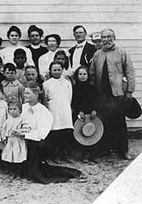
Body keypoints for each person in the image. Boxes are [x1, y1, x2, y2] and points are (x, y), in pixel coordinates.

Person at [19, 82, 81, 184]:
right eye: (24, 93)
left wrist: (26, 134)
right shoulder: (24, 108)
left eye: (27, 93)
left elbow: (41, 134)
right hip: (24, 138)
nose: (25, 96)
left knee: (38, 172)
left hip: (38, 142)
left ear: (36, 94)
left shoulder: (44, 112)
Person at [89, 28, 135, 160]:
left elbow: (130, 72)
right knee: (104, 123)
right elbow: (92, 73)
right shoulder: (97, 54)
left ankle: (123, 150)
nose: (106, 40)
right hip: (102, 96)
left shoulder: (122, 52)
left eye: (109, 37)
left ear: (114, 37)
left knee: (120, 123)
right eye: (103, 37)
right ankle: (105, 150)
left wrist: (129, 91)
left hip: (117, 94)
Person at [43, 61, 74, 163]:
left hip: (65, 109)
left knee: (66, 132)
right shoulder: (46, 84)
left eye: (59, 70)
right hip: (53, 109)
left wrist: (66, 106)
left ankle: (65, 154)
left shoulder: (67, 83)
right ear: (50, 71)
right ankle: (55, 155)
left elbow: (69, 97)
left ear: (62, 70)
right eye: (54, 70)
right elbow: (46, 99)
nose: (57, 72)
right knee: (56, 133)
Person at [72, 66, 100, 163]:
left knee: (92, 132)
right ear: (77, 76)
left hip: (91, 113)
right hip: (81, 113)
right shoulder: (74, 88)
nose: (82, 76)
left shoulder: (92, 88)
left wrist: (94, 110)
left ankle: (93, 155)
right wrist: (79, 111)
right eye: (80, 74)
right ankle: (84, 155)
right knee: (82, 134)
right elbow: (74, 102)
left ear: (88, 76)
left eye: (84, 74)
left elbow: (96, 101)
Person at [1, 100, 27, 179]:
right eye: (11, 109)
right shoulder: (8, 120)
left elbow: (26, 128)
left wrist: (20, 132)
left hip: (18, 140)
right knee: (10, 156)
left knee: (18, 156)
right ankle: (12, 171)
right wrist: (4, 137)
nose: (12, 111)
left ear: (20, 110)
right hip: (10, 140)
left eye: (15, 109)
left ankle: (19, 173)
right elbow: (3, 129)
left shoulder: (22, 119)